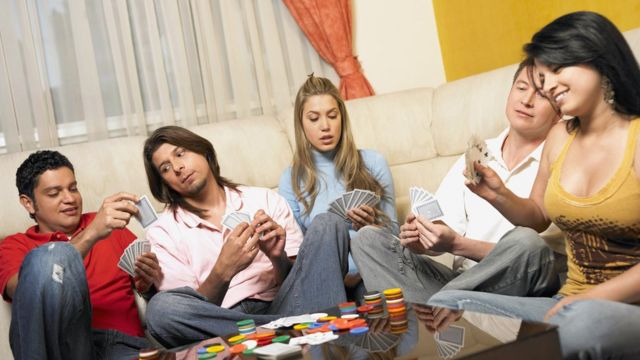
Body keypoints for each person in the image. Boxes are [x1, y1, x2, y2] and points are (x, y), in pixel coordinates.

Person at [429, 11, 640, 359]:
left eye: (556, 70)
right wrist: (499, 195)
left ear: (597, 58)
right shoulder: (561, 136)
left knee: (582, 323)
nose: (547, 86)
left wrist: (589, 300)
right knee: (449, 304)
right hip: (567, 302)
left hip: (618, 309)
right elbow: (539, 215)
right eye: (542, 77)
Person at [351, 58, 565, 304]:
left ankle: (437, 308)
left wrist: (458, 245)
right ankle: (449, 309)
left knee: (527, 242)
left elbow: (538, 255)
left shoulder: (559, 158)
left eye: (541, 95)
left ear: (559, 111)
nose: (527, 100)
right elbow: (444, 230)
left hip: (519, 284)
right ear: (510, 92)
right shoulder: (477, 153)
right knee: (367, 239)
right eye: (521, 87)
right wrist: (425, 237)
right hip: (462, 281)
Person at [142, 126, 351, 348]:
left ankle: (286, 329)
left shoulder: (265, 199)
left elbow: (304, 284)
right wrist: (222, 272)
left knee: (329, 224)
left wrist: (277, 257)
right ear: (164, 183)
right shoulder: (162, 231)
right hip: (222, 323)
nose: (177, 167)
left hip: (283, 304)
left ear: (203, 151)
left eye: (180, 153)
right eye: (165, 168)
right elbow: (189, 310)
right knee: (160, 309)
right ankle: (294, 329)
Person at [0, 150, 162, 359]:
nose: (70, 199)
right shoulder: (14, 246)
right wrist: (92, 234)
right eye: (54, 193)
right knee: (42, 259)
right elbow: (24, 292)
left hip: (122, 345)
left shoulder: (111, 224)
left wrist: (147, 286)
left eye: (73, 188)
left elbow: (154, 289)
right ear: (29, 203)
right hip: (61, 348)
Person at [278, 75, 399, 289]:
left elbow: (395, 237)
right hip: (326, 283)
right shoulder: (291, 179)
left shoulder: (373, 162)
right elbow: (296, 255)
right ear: (301, 124)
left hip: (373, 272)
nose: (325, 126)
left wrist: (371, 226)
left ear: (342, 118)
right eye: (314, 119)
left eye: (332, 116)